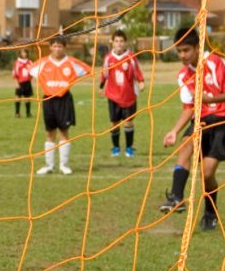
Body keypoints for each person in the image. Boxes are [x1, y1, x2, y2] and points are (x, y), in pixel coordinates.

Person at [158, 24, 225, 232]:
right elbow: (189, 108)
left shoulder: (214, 63)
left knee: (207, 173)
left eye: (186, 50)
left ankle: (210, 213)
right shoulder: (183, 75)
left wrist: (208, 98)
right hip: (203, 120)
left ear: (197, 47)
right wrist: (174, 131)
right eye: (179, 51)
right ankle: (177, 197)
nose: (182, 55)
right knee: (185, 146)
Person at [31, 33, 90, 175]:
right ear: (50, 47)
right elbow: (30, 71)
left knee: (64, 131)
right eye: (55, 46)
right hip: (48, 100)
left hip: (64, 100)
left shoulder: (72, 63)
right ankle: (49, 165)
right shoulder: (42, 63)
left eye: (60, 46)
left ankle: (64, 165)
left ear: (65, 47)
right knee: (50, 132)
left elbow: (88, 70)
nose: (57, 49)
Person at [100, 29, 145, 158]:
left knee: (128, 122)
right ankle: (115, 148)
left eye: (121, 41)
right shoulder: (108, 58)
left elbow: (137, 71)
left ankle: (129, 148)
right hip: (113, 95)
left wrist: (141, 82)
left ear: (125, 43)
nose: (119, 44)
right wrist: (101, 86)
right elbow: (104, 73)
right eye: (116, 41)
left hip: (129, 95)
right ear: (112, 43)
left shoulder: (130, 57)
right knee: (114, 123)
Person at [12, 47, 34, 118]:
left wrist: (31, 78)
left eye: (25, 52)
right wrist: (16, 83)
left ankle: (28, 113)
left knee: (27, 98)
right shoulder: (17, 62)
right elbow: (15, 73)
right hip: (20, 82)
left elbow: (32, 71)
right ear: (20, 54)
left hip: (27, 82)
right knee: (18, 97)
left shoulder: (29, 62)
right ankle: (17, 113)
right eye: (22, 52)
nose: (24, 54)